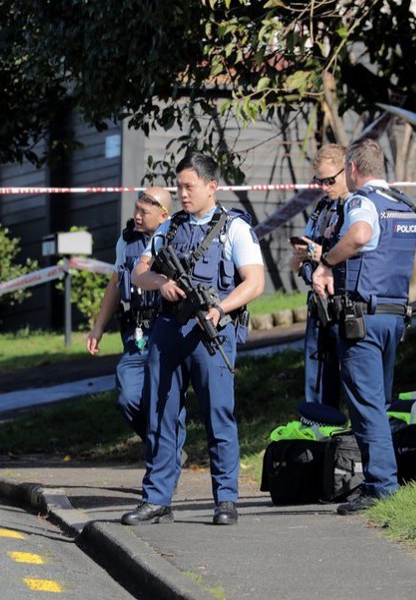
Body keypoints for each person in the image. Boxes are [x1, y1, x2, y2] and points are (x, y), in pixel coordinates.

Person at [121, 153, 265, 526]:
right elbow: (140, 273)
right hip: (168, 331)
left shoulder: (235, 228)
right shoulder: (168, 229)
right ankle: (156, 498)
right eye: (180, 186)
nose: (182, 194)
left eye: (190, 187)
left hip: (211, 331)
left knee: (218, 414)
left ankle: (226, 500)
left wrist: (220, 309)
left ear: (211, 187)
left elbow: (255, 282)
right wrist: (162, 284)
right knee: (160, 414)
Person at [312, 138, 416, 514]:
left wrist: (326, 262)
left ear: (354, 170)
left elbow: (358, 236)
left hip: (363, 319)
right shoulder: (405, 206)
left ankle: (381, 487)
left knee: (367, 404)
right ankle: (385, 479)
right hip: (395, 317)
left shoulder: (361, 201)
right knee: (380, 400)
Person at [86, 187, 187, 456]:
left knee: (167, 398)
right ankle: (167, 450)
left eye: (144, 211)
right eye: (136, 209)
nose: (137, 216)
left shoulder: (181, 238)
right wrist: (98, 326)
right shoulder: (127, 241)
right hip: (137, 332)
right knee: (129, 395)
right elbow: (116, 283)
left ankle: (167, 462)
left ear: (164, 215)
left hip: (169, 328)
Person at [290, 144, 350, 408]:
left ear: (348, 169)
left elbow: (356, 252)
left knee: (351, 379)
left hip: (345, 305)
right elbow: (300, 259)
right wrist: (300, 256)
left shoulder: (360, 206)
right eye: (319, 181)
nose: (324, 187)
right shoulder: (323, 207)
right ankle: (318, 440)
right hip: (318, 305)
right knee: (315, 384)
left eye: (329, 180)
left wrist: (318, 254)